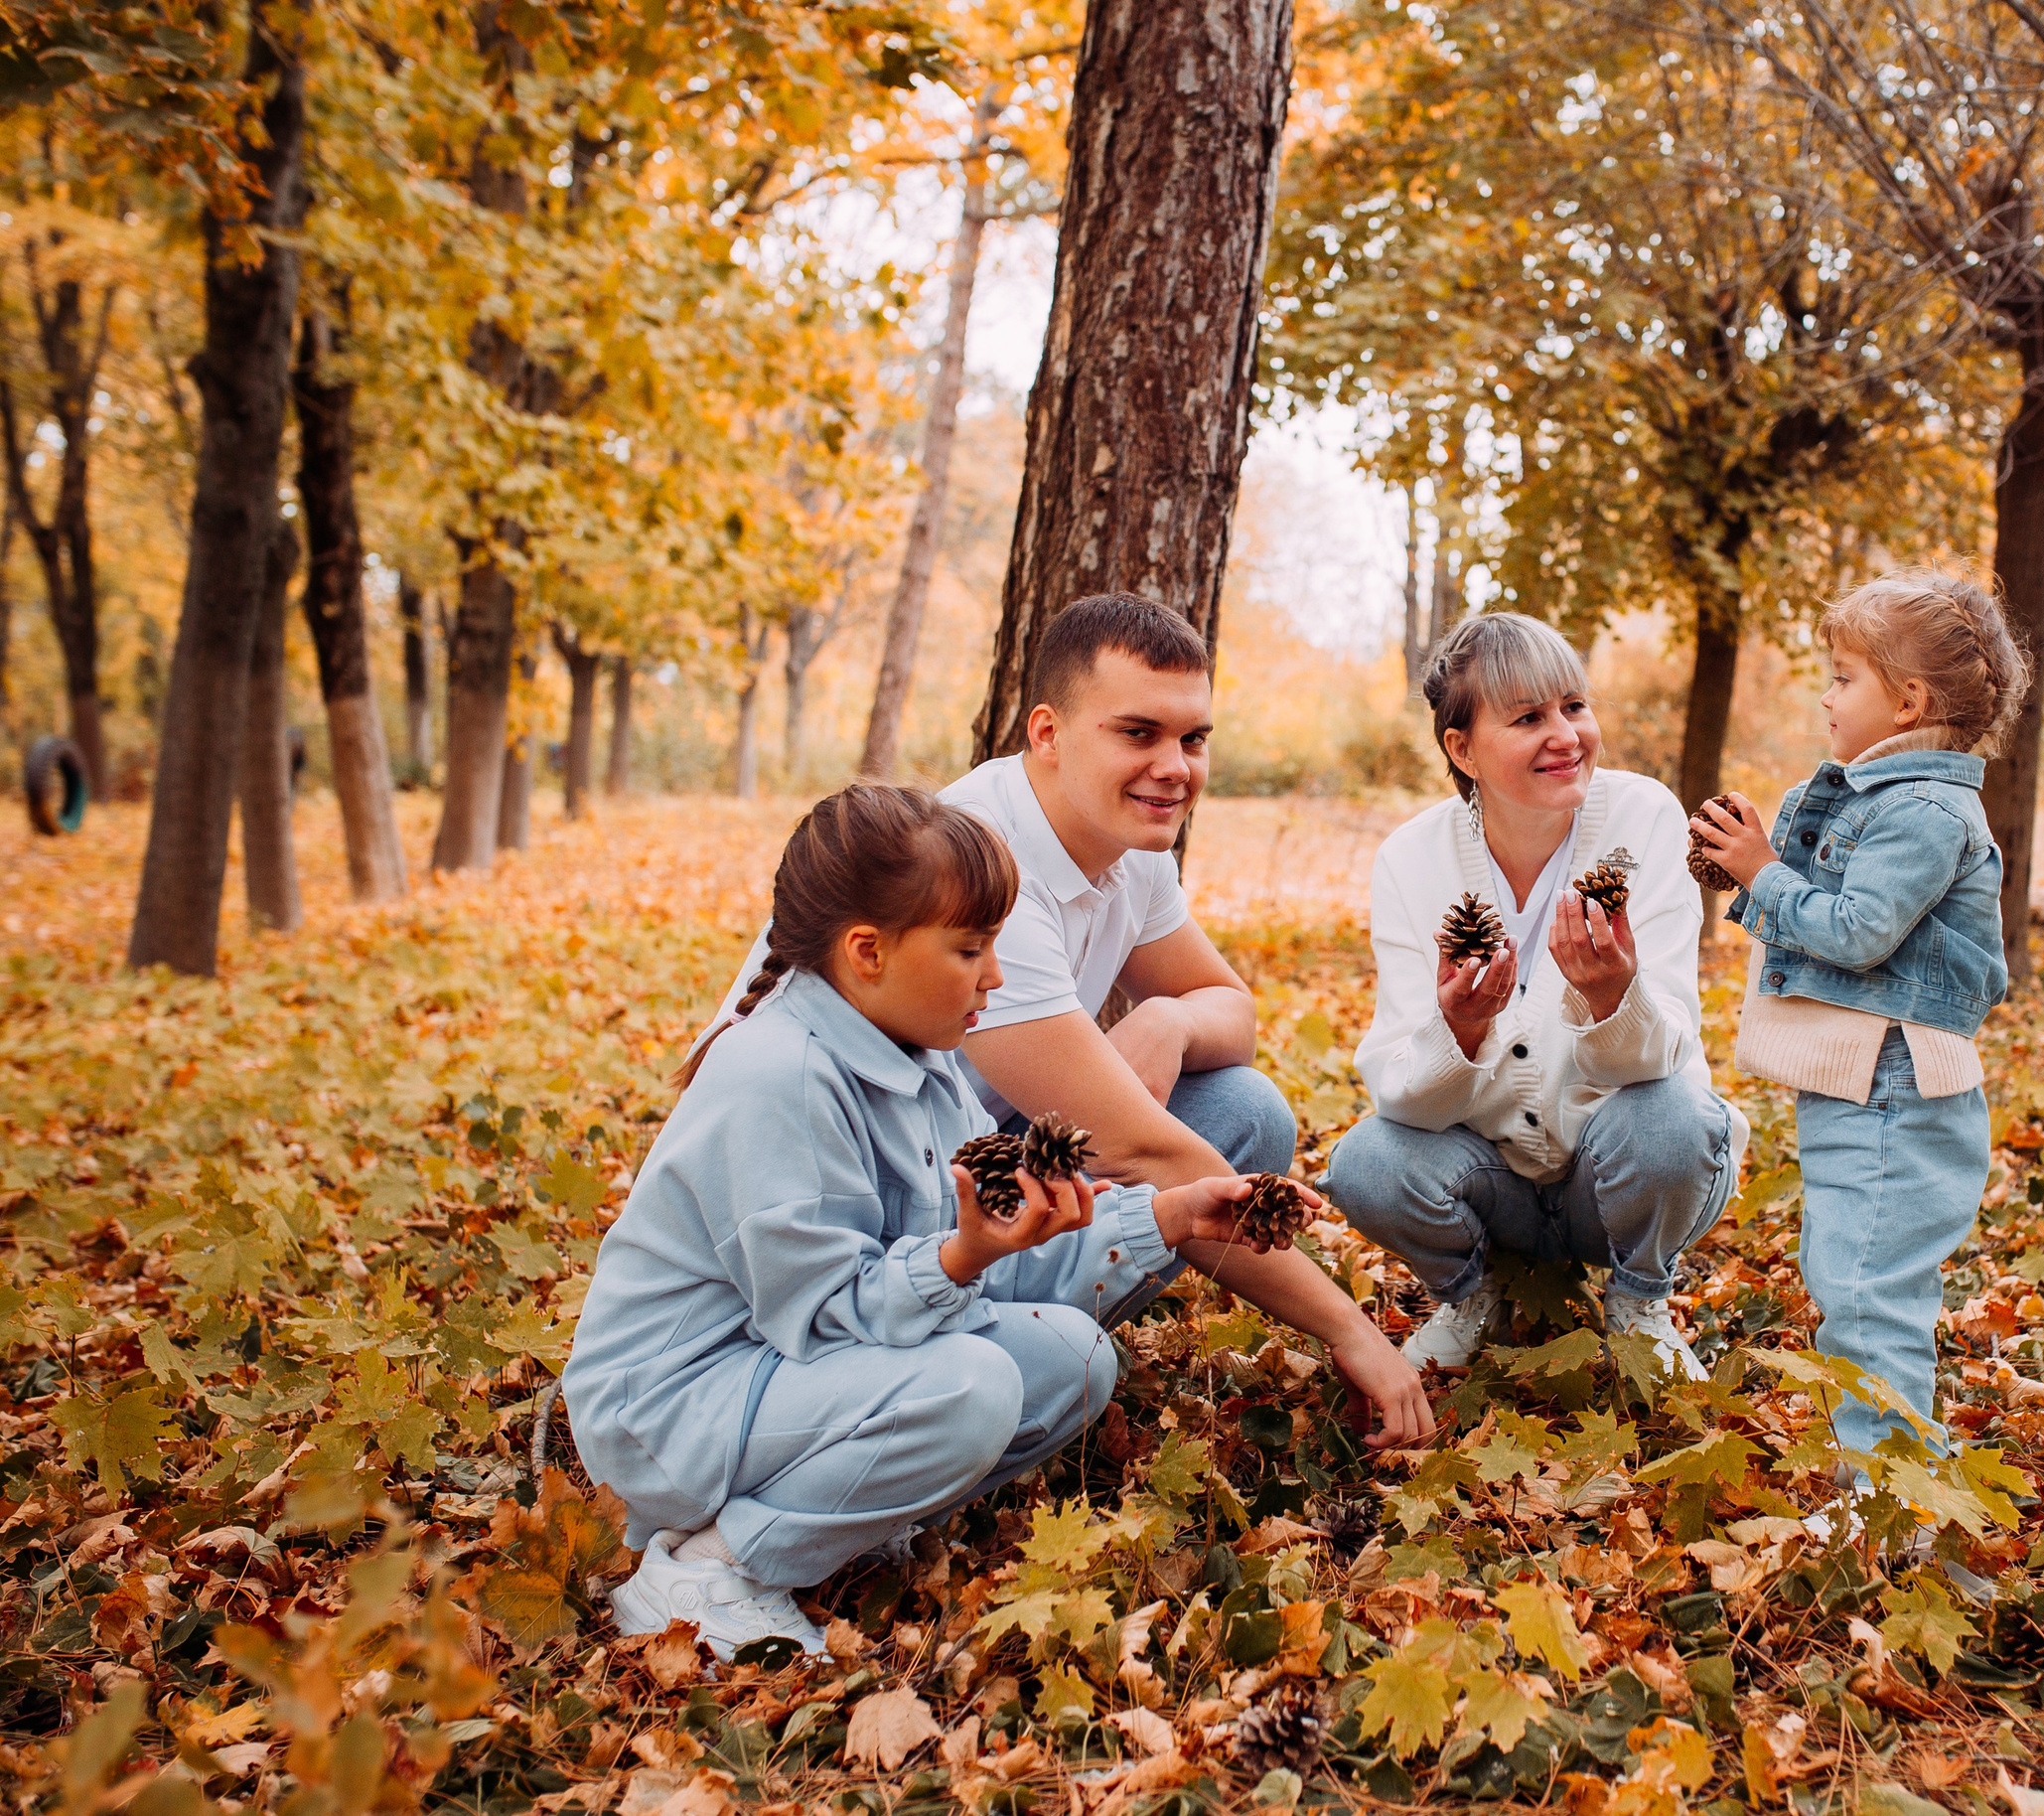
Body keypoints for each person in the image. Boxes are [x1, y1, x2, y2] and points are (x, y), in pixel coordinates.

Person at [568, 784, 1293, 1660]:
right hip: (672, 1410)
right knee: (972, 1388)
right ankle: (711, 1569)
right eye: (970, 949)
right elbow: (825, 1317)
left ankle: (841, 1518)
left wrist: (1168, 1217)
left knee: (1073, 1360)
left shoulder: (922, 1053)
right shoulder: (780, 1078)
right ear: (867, 952)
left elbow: (1005, 1267)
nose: (995, 975)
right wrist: (956, 1260)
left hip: (778, 1383)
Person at [704, 593, 1433, 1446]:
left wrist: (1166, 1019)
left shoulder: (1130, 839)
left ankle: (1036, 1350)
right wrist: (1351, 1329)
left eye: (1193, 739)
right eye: (1139, 733)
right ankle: (983, 1363)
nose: (1175, 767)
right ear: (1046, 734)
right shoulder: (977, 867)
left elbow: (1231, 1011)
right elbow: (1141, 1150)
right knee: (1174, 1150)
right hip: (855, 1198)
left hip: (964, 1157)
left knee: (1244, 1112)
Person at [1321, 613, 1746, 1380]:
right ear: (1462, 748)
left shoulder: (1643, 818)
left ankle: (1640, 1296)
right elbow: (1399, 1096)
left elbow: (1672, 1045)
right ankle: (1475, 1291)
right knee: (1364, 1161)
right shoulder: (1411, 861)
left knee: (1678, 1118)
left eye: (1574, 707)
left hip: (1616, 1170)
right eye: (1527, 718)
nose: (1566, 736)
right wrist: (1457, 1030)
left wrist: (1615, 999)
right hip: (1492, 1184)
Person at [1691, 567, 2029, 1464]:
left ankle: (1887, 1497)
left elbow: (1859, 929)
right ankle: (1890, 1477)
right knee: (1850, 1280)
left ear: (1909, 700)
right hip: (1866, 1082)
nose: (1827, 694)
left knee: (1868, 1291)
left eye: (1845, 677)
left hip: (1896, 1087)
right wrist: (1759, 856)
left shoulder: (1922, 809)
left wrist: (1765, 873)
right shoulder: (1880, 798)